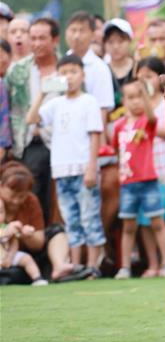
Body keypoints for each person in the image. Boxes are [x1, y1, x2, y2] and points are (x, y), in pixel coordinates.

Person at [26, 54, 105, 276]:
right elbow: (31, 119)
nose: (69, 77)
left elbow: (95, 136)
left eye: (73, 72)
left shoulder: (89, 101)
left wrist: (91, 167)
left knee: (89, 217)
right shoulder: (55, 104)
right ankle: (75, 266)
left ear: (83, 75)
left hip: (82, 168)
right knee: (71, 219)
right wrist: (43, 91)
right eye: (64, 73)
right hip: (62, 170)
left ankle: (93, 266)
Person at [111, 79, 165, 279]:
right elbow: (116, 150)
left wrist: (146, 95)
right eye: (131, 98)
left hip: (149, 181)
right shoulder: (119, 126)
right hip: (127, 184)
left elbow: (153, 119)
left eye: (139, 97)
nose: (136, 102)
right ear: (123, 101)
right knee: (129, 226)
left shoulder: (146, 122)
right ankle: (125, 267)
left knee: (157, 223)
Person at [5, 17, 60, 222]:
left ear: (55, 40)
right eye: (33, 38)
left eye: (42, 38)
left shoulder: (67, 68)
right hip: (30, 141)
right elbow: (8, 108)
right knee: (34, 191)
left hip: (63, 140)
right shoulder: (17, 71)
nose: (36, 43)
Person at [0, 161, 89, 282]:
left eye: (21, 196)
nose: (16, 201)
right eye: (12, 194)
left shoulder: (31, 201)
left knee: (56, 231)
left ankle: (60, 267)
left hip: (24, 257)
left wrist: (26, 236)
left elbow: (38, 243)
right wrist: (5, 232)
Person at [135, 57, 165, 277]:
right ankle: (152, 263)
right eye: (141, 77)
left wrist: (146, 127)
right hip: (141, 167)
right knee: (145, 219)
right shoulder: (134, 101)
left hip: (164, 165)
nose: (145, 81)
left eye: (149, 76)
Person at [64, 11, 114, 135]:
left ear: (92, 35)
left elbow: (102, 109)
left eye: (82, 31)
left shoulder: (100, 68)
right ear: (66, 33)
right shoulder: (59, 64)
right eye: (73, 30)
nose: (76, 36)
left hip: (87, 134)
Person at [0, 195, 48, 285]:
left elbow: (14, 242)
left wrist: (10, 257)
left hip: (7, 255)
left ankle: (37, 278)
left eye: (1, 212)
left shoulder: (6, 227)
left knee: (26, 258)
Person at [103, 18, 135, 113]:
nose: (115, 46)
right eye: (110, 42)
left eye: (120, 41)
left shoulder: (139, 68)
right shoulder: (102, 70)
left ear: (129, 41)